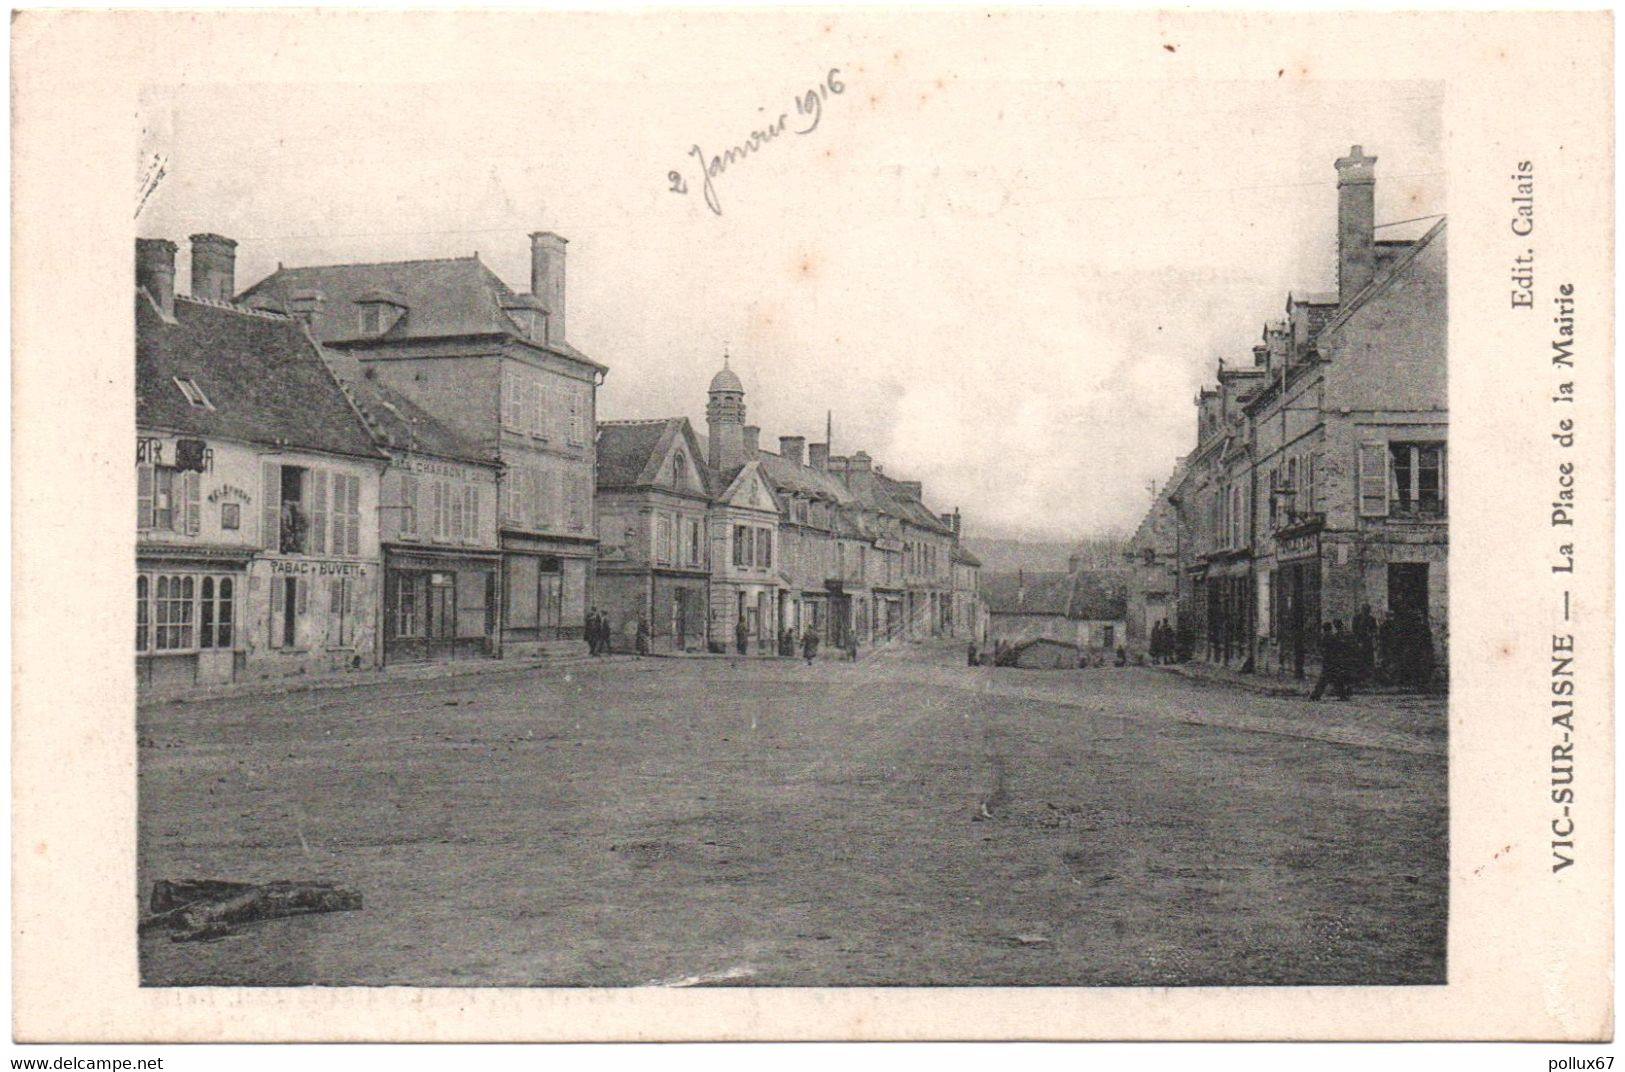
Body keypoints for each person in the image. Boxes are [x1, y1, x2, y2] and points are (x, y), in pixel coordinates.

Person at [1353, 604, 1377, 683]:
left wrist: (1371, 634)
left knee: (1369, 660)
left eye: (1367, 610)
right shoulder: (1357, 618)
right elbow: (1354, 630)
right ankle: (1359, 678)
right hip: (1359, 641)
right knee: (1359, 660)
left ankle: (1368, 678)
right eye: (1364, 610)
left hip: (1368, 642)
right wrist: (1358, 640)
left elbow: (1374, 629)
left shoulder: (1372, 619)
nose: (1366, 611)